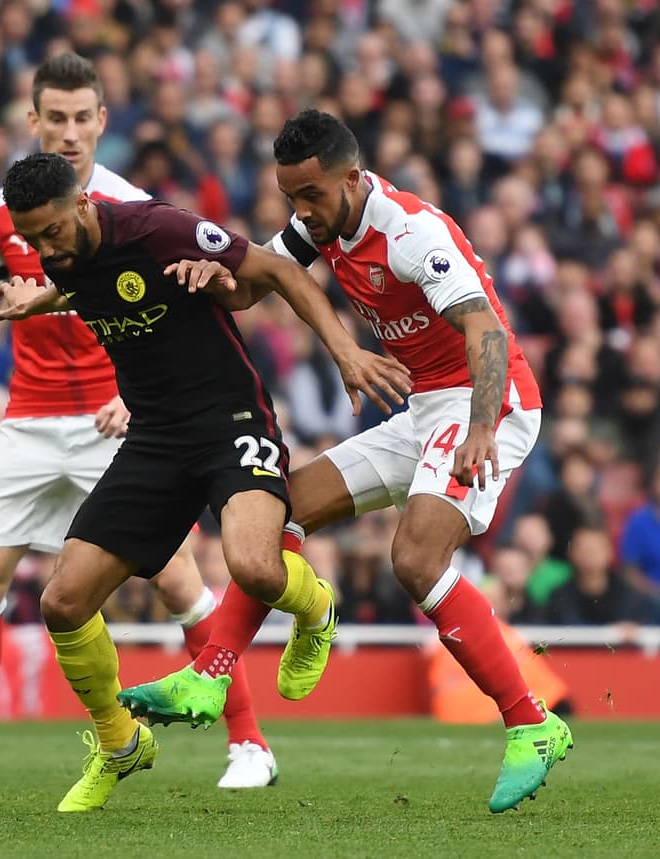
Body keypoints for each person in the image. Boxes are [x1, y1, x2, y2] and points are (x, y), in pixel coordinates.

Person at [119, 109, 571, 814]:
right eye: (290, 198)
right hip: (426, 404)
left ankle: (530, 721)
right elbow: (248, 287)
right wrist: (207, 274)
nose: (301, 212)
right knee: (279, 510)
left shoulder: (411, 232)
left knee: (416, 560)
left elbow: (484, 326)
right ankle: (210, 675)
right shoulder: (317, 223)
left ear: (353, 179)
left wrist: (482, 425)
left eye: (312, 196)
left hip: (491, 400)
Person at [0, 55, 285, 792]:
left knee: (177, 580)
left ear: (102, 121)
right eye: (56, 118)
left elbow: (180, 316)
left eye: (83, 118)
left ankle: (249, 743)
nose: (70, 133)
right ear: (33, 121)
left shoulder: (130, 208)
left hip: (119, 419)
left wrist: (139, 400)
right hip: (31, 416)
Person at [0, 151, 407, 813]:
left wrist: (346, 352)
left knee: (254, 567)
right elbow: (91, 279)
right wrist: (48, 295)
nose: (46, 247)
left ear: (84, 205)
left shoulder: (157, 229)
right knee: (62, 602)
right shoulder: (58, 255)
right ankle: (120, 743)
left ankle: (316, 607)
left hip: (229, 417)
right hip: (154, 437)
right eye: (33, 239)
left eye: (54, 232)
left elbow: (277, 270)